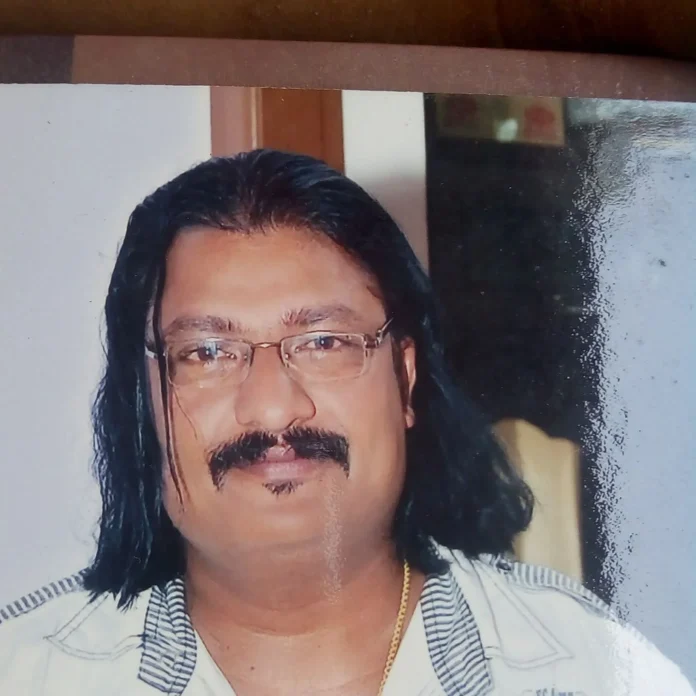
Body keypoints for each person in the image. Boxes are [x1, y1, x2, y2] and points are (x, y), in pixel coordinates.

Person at [0, 150, 691, 696]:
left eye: (324, 342)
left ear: (406, 380)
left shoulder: (592, 670)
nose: (273, 408)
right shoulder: (28, 674)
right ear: (141, 402)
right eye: (207, 352)